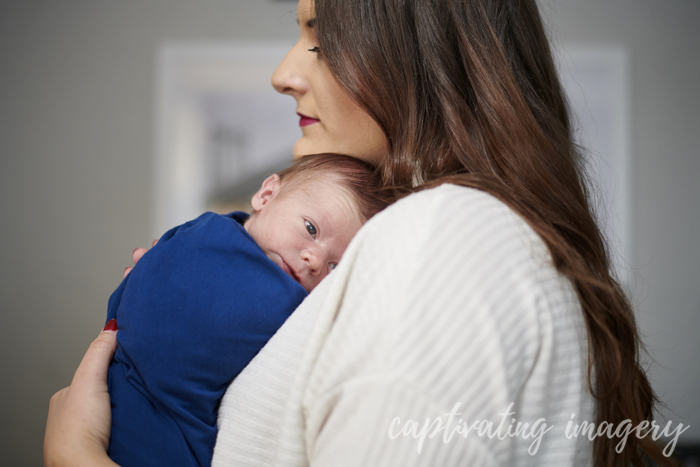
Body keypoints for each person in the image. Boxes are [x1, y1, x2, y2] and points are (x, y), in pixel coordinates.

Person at [44, 0, 671, 466]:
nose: (284, 73)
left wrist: (77, 456)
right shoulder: (437, 243)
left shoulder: (442, 239)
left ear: (421, 58)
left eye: (319, 40)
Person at [105, 154, 388, 467]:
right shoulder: (212, 242)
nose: (315, 260)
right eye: (310, 228)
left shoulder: (217, 233)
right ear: (266, 195)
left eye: (335, 266)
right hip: (139, 419)